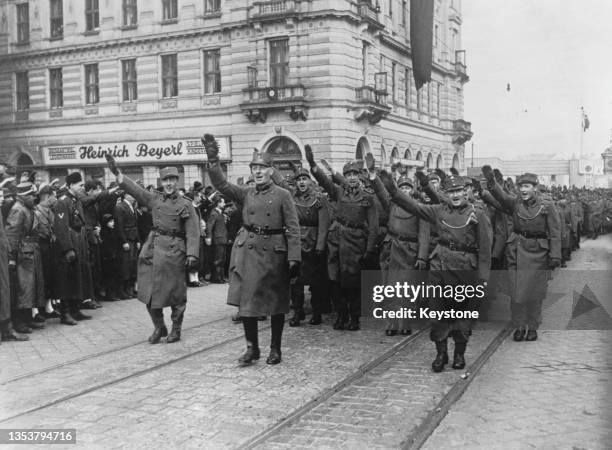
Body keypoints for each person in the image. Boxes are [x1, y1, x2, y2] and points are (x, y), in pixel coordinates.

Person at [202, 133, 300, 365]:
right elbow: (221, 184)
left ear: (270, 170)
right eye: (254, 167)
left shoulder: (283, 195)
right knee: (247, 304)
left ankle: (275, 349)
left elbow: (293, 228)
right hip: (248, 252)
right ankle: (252, 348)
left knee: (275, 305)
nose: (257, 172)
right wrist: (213, 160)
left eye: (262, 167)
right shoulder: (246, 193)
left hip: (274, 253)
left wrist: (294, 257)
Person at [380, 171, 492, 372]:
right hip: (439, 267)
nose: (455, 195)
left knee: (462, 315)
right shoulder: (438, 210)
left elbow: (485, 249)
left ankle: (459, 353)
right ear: (445, 194)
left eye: (459, 190)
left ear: (466, 192)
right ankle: (441, 354)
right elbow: (413, 206)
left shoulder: (478, 214)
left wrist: (483, 278)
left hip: (464, 269)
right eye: (451, 192)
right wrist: (392, 189)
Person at [105, 155, 200, 343]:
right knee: (148, 291)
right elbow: (136, 190)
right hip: (153, 249)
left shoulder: (185, 204)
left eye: (172, 180)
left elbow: (193, 231)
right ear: (161, 182)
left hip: (174, 250)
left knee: (175, 293)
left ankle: (176, 328)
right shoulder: (154, 199)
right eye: (165, 180)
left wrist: (192, 254)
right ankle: (159, 326)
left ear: (177, 181)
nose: (169, 184)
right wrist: (118, 174)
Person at [481, 168, 561, 341]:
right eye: (521, 187)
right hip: (516, 252)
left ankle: (532, 327)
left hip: (538, 253)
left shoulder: (547, 205)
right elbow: (501, 197)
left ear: (535, 187)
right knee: (516, 292)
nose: (523, 190)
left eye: (527, 186)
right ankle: (518, 326)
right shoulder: (515, 203)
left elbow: (555, 232)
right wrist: (492, 183)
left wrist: (555, 255)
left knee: (535, 293)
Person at [305, 145, 378, 331]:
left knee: (352, 281)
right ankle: (341, 315)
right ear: (345, 177)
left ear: (360, 176)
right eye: (349, 174)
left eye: (355, 174)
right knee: (334, 279)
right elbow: (323, 181)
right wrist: (312, 164)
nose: (352, 177)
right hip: (336, 239)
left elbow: (374, 226)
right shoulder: (338, 192)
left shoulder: (368, 198)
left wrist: (369, 249)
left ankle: (354, 317)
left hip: (356, 242)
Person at [53, 172, 94, 325]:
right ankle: (65, 313)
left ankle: (75, 309)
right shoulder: (62, 202)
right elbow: (61, 228)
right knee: (67, 279)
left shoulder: (76, 200)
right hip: (70, 244)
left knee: (78, 276)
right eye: (80, 185)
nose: (82, 187)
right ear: (70, 185)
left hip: (79, 241)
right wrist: (68, 249)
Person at [206, 195, 229, 283]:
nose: (224, 204)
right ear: (218, 203)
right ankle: (216, 278)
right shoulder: (214, 213)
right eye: (223, 202)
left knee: (222, 259)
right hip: (218, 239)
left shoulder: (220, 213)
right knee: (218, 259)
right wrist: (209, 237)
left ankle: (220, 277)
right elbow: (209, 226)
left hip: (222, 239)